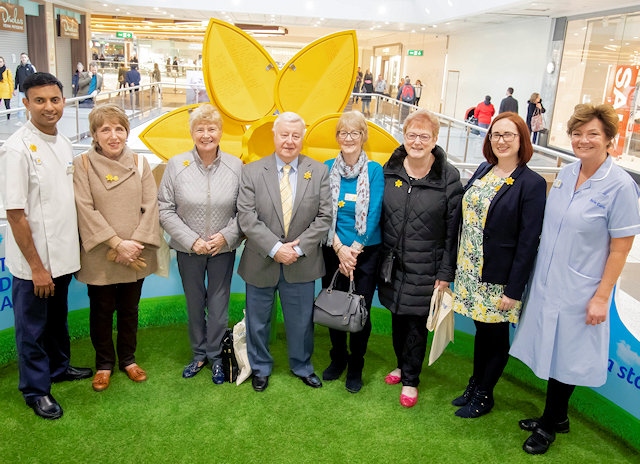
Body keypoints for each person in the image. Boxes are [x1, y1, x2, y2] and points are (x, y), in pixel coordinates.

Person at [510, 103, 640, 455]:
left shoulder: (621, 187)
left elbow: (619, 250)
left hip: (583, 288)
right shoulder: (567, 174)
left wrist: (601, 297)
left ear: (610, 139)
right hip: (549, 281)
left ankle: (550, 424)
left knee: (566, 354)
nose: (583, 140)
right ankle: (559, 416)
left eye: (593, 134)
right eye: (578, 133)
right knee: (552, 348)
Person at [1, 73, 92, 419]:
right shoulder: (16, 149)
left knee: (56, 322)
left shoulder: (64, 142)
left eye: (54, 100)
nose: (49, 107)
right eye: (39, 100)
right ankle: (36, 390)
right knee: (33, 330)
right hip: (33, 265)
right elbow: (15, 215)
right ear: (25, 104)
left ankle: (59, 368)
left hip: (63, 258)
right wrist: (37, 268)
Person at [451, 112, 546, 419]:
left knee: (495, 337)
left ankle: (485, 394)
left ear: (522, 140)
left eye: (509, 135)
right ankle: (475, 383)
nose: (501, 141)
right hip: (470, 271)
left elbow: (528, 241)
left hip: (498, 278)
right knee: (482, 332)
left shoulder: (531, 183)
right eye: (496, 135)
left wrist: (514, 289)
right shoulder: (484, 169)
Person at [236, 111, 332, 392]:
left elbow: (324, 217)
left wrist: (298, 249)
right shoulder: (252, 171)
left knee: (301, 321)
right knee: (258, 321)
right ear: (274, 136)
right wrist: (276, 248)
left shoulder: (318, 172)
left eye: (296, 135)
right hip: (261, 260)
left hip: (301, 263)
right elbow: (246, 217)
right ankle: (260, 367)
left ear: (302, 138)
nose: (289, 141)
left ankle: (302, 366)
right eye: (284, 135)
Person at [73, 103, 161, 392]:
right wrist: (116, 243)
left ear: (127, 133)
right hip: (101, 253)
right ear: (94, 134)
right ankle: (104, 364)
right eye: (105, 129)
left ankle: (128, 359)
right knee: (101, 310)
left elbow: (151, 206)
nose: (113, 135)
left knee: (129, 309)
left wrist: (134, 244)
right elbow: (85, 208)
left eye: (119, 129)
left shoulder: (139, 163)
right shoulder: (82, 164)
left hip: (136, 253)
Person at [379, 109, 463, 408]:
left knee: (416, 322)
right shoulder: (389, 170)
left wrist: (446, 271)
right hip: (391, 262)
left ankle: (411, 380)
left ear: (435, 139)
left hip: (427, 265)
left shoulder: (448, 177)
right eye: (412, 135)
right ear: (404, 136)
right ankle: (401, 365)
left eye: (424, 136)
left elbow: (454, 231)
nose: (417, 141)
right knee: (397, 316)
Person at [158, 104, 243, 383]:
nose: (206, 134)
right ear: (192, 132)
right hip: (188, 250)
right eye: (200, 129)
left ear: (220, 132)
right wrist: (192, 240)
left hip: (223, 250)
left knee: (218, 307)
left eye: (212, 128)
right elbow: (165, 209)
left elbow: (245, 211)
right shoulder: (176, 165)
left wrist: (226, 237)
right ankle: (198, 355)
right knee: (195, 303)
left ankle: (216, 356)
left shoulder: (236, 166)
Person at [321, 111, 384, 393]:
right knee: (334, 307)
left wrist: (353, 251)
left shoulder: (374, 171)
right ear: (337, 137)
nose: (348, 138)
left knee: (360, 312)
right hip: (332, 250)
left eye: (354, 133)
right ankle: (338, 358)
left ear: (363, 137)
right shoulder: (325, 168)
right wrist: (339, 249)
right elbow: (321, 211)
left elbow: (374, 213)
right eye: (343, 133)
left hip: (365, 254)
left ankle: (356, 365)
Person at [13, 53, 36, 117]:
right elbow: (16, 78)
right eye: (22, 57)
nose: (23, 59)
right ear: (20, 59)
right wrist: (14, 88)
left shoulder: (31, 67)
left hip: (30, 90)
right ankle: (20, 119)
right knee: (20, 105)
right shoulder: (19, 68)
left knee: (31, 103)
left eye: (25, 57)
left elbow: (35, 77)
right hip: (21, 90)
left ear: (27, 58)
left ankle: (33, 117)